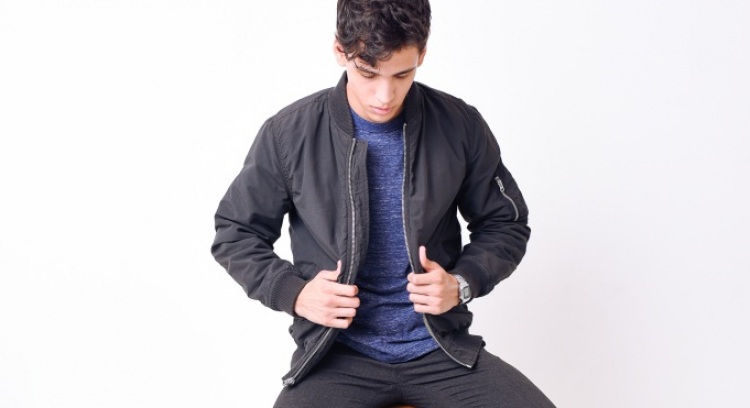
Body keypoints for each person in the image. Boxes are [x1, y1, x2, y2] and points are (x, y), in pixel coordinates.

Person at [211, 0, 556, 406]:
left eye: (402, 74)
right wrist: (295, 293)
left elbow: (505, 223)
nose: (384, 95)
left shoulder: (459, 125)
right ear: (340, 51)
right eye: (368, 73)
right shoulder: (289, 134)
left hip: (440, 350)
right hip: (336, 356)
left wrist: (461, 283)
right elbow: (236, 231)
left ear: (422, 54)